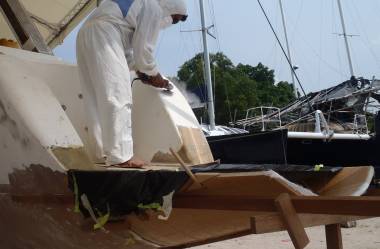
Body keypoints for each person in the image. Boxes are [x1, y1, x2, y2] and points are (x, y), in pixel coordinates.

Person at [76, 0, 187, 168]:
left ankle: (101, 153)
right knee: (118, 94)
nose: (172, 22)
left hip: (87, 32)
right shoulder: (153, 7)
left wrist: (140, 70)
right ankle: (121, 156)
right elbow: (143, 49)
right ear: (171, 6)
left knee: (95, 99)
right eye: (175, 19)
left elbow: (124, 46)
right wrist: (153, 74)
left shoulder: (138, 6)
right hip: (105, 33)